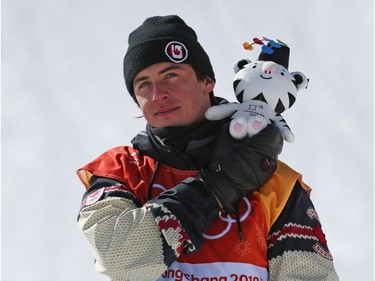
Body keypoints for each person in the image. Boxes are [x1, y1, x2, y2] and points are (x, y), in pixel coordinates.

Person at [76, 15, 339, 281]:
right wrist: (217, 185)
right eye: (143, 84)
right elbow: (118, 258)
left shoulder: (275, 183)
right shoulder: (121, 170)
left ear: (207, 81)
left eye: (171, 75)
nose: (158, 94)